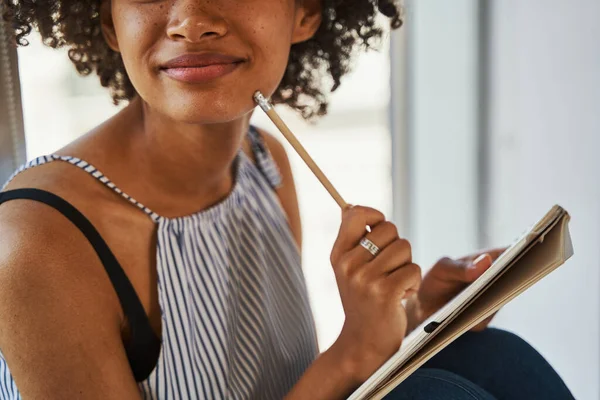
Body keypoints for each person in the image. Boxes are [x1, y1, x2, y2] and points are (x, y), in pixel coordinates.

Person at [0, 0, 574, 399]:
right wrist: (351, 354)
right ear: (108, 22)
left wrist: (410, 317)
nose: (193, 21)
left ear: (306, 12)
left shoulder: (264, 165)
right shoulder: (40, 242)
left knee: (488, 356)